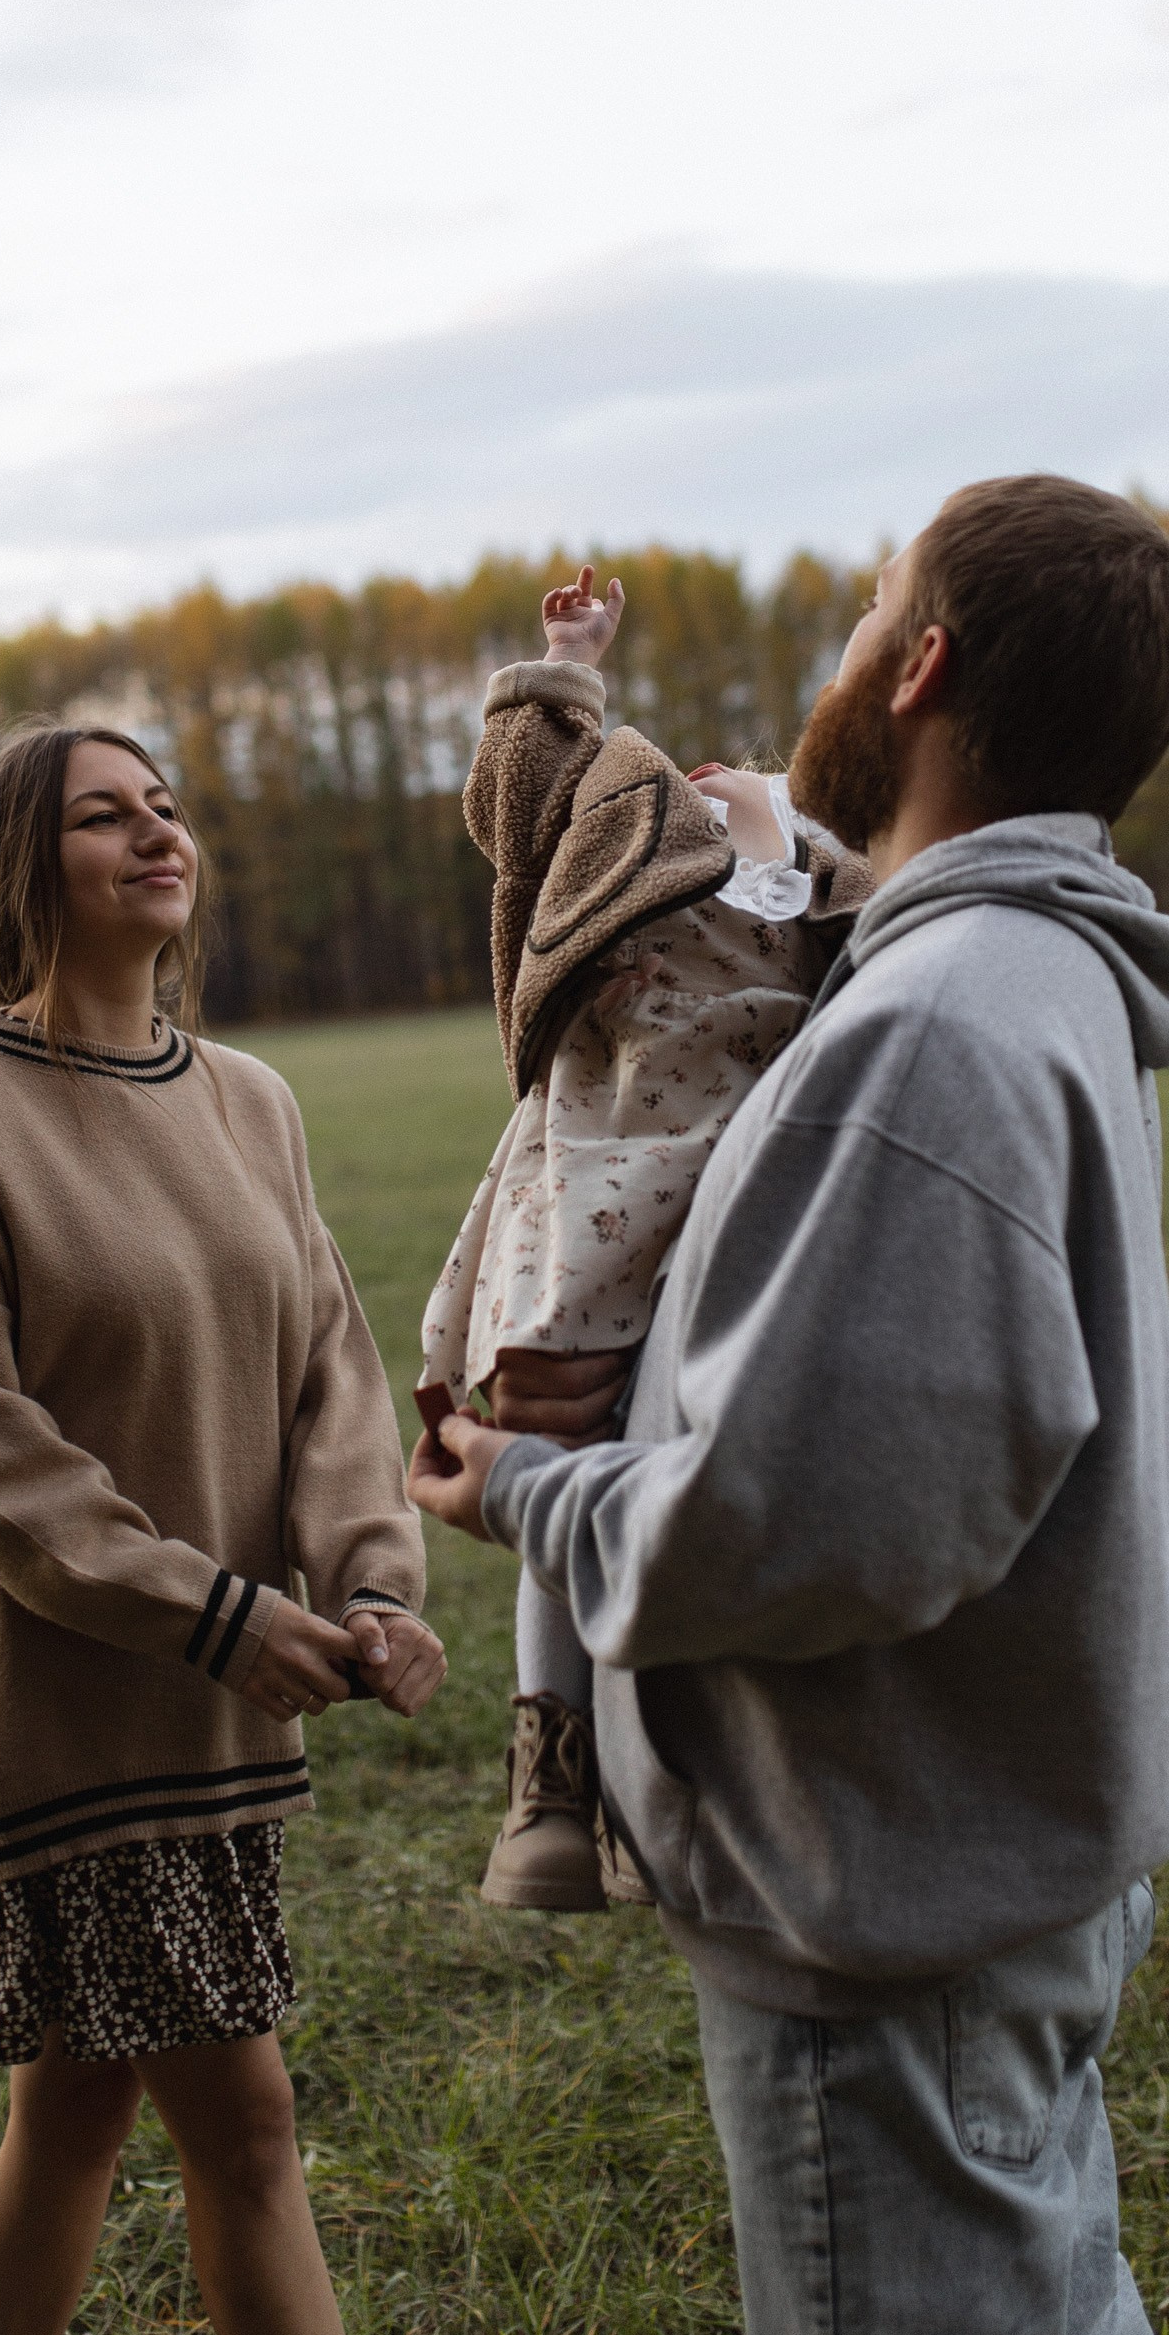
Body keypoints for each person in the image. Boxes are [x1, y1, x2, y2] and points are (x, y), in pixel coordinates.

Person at [411, 477, 1169, 2335]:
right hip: (995, 1858)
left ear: (922, 664)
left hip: (893, 1901)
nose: (842, 650)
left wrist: (523, 1490)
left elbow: (799, 1525)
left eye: (870, 609)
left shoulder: (930, 1032)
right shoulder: (1008, 972)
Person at [0, 721, 476, 2335]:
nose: (154, 833)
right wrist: (207, 1612)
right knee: (235, 2123)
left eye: (166, 806)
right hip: (56, 1708)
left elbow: (330, 1372)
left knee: (81, 2114)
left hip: (214, 1709)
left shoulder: (250, 1102)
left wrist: (368, 1581)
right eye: (101, 815)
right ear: (22, 868)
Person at [419, 564, 870, 1908]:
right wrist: (570, 665)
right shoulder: (626, 809)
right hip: (607, 1159)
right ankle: (552, 1778)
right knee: (556, 1441)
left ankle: (728, 1756)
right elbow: (515, 801)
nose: (718, 774)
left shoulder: (842, 858)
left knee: (733, 1449)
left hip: (765, 1164)